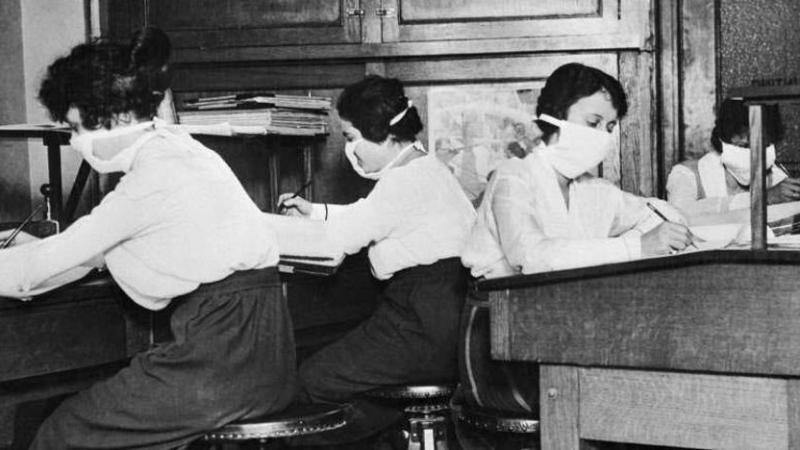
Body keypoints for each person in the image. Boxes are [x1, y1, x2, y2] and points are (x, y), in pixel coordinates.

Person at [0, 29, 296, 449]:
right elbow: (103, 247)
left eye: (76, 128)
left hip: (219, 365)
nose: (75, 142)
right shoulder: (184, 150)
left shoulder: (152, 176)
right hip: (263, 359)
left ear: (118, 119)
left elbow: (33, 273)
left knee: (61, 432)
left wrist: (37, 257)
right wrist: (48, 249)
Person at [456, 63, 693, 434]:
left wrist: (664, 226)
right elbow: (531, 256)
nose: (603, 136)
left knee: (656, 391)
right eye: (593, 122)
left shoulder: (594, 191)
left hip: (566, 335)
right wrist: (636, 246)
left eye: (611, 127)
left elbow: (655, 212)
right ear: (555, 114)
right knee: (624, 403)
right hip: (500, 342)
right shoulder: (512, 178)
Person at [279, 75, 476, 442]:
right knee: (367, 406)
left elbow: (340, 240)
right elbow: (370, 215)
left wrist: (266, 230)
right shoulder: (426, 168)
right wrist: (316, 212)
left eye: (352, 138)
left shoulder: (402, 183)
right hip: (442, 323)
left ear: (383, 135)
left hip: (417, 324)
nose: (350, 151)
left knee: (308, 383)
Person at [667, 98, 800, 217]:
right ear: (723, 139)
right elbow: (680, 215)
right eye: (744, 146)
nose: (753, 152)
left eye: (762, 145)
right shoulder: (687, 174)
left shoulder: (775, 175)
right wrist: (763, 198)